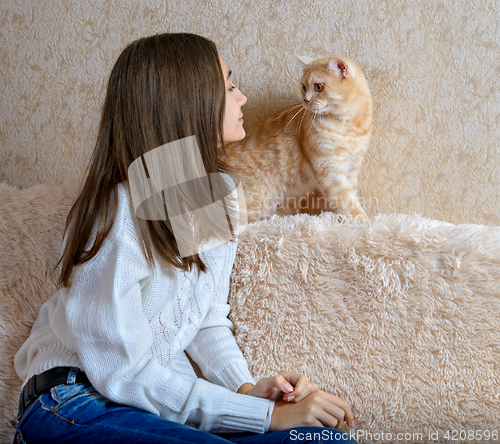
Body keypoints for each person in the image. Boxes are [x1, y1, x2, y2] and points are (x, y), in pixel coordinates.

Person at [13, 32, 357, 444]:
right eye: (229, 86)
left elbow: (205, 319)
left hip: (151, 411)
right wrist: (260, 415)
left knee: (323, 440)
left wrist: (248, 391)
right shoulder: (115, 210)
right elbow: (122, 373)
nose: (243, 98)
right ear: (190, 102)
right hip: (73, 401)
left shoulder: (219, 198)